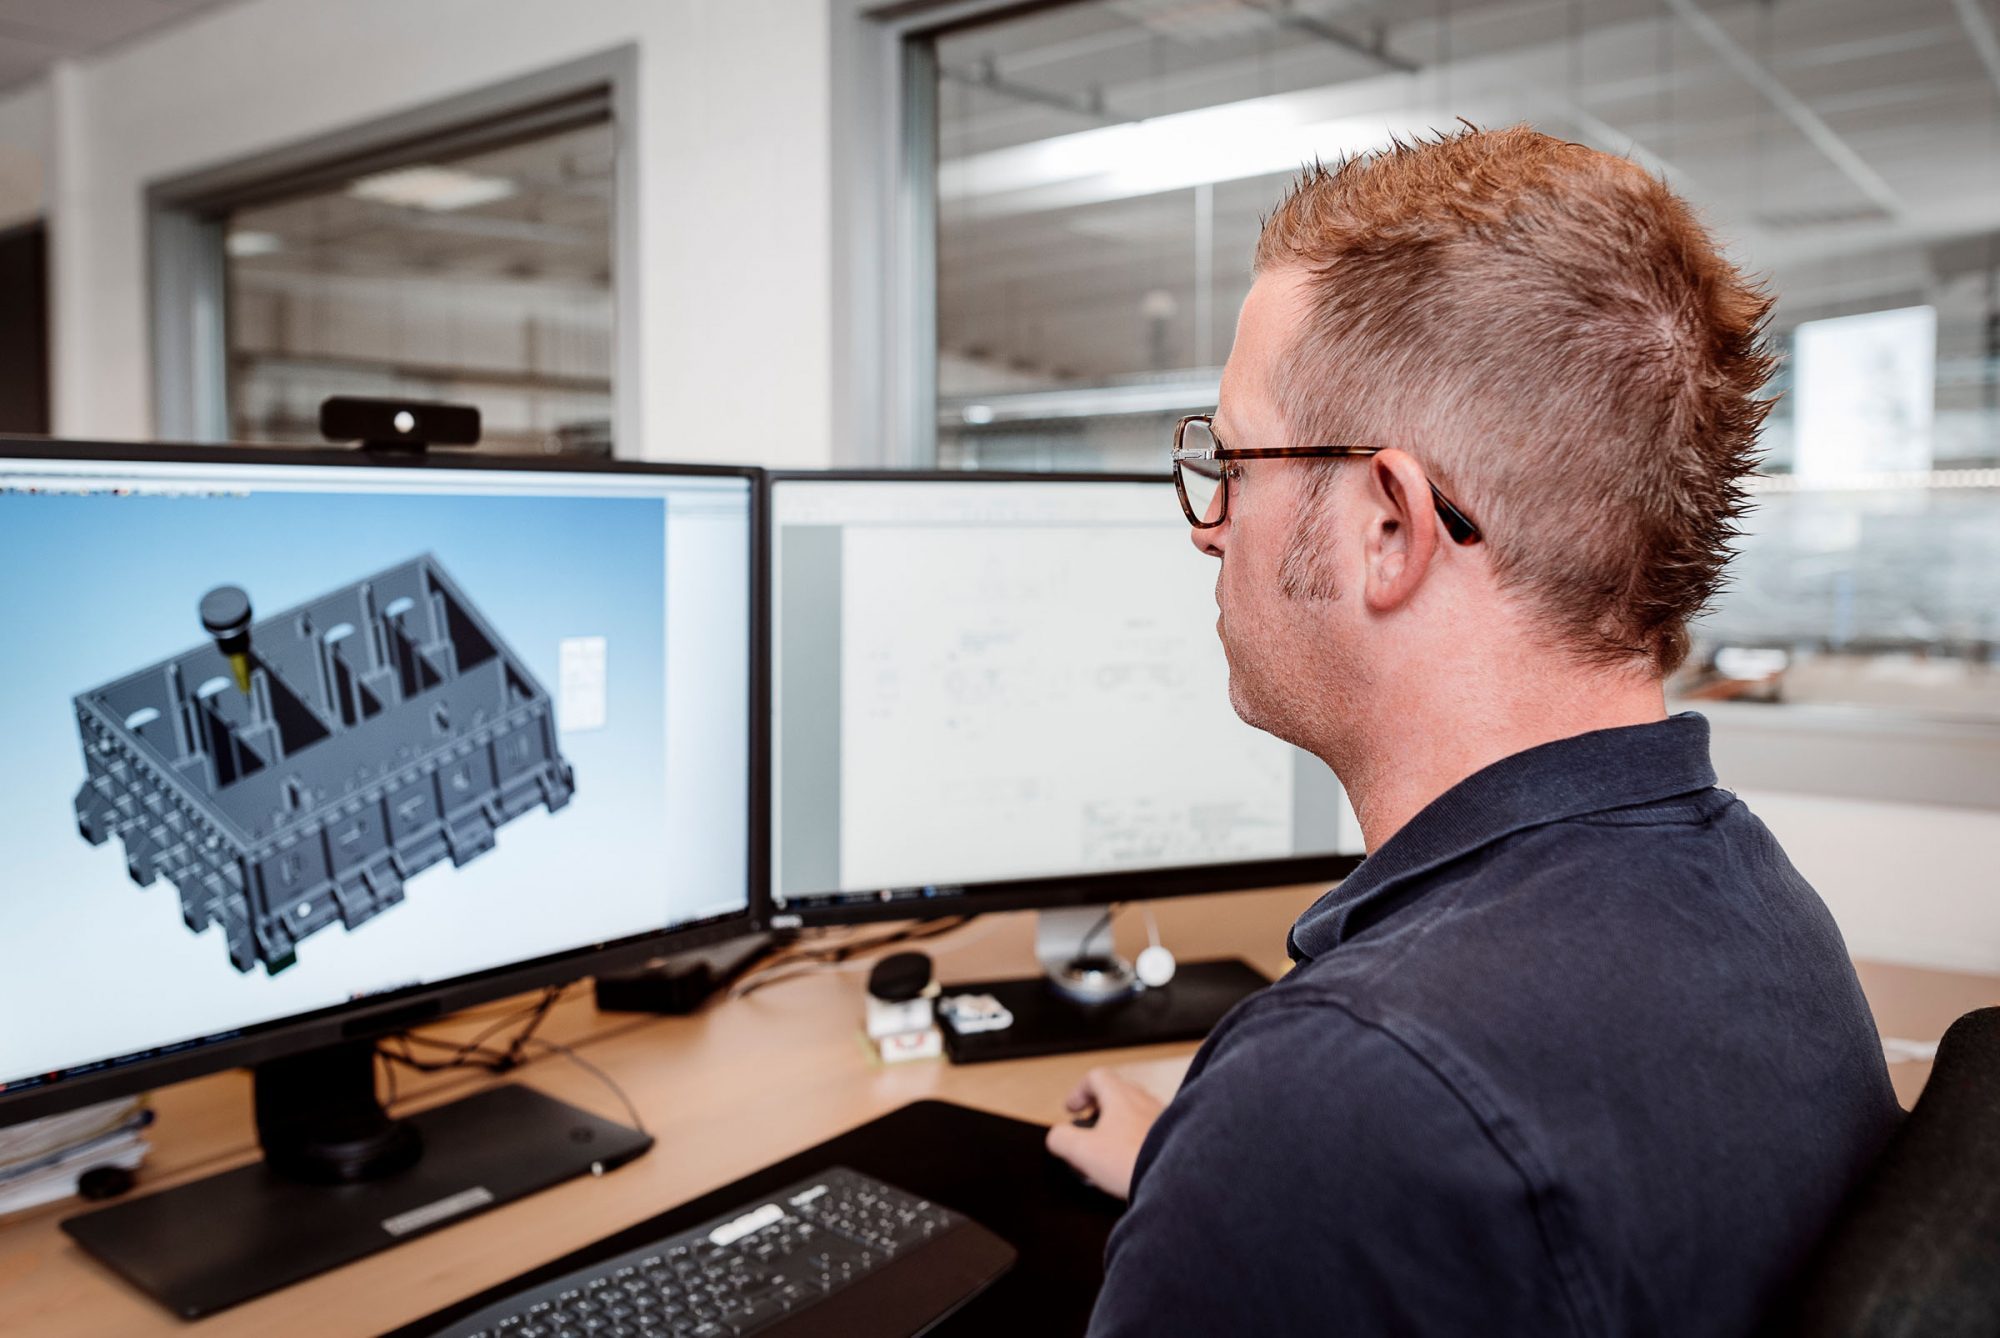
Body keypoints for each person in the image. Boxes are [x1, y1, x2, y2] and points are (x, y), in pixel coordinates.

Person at [1046, 126, 1901, 1336]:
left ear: (1388, 525)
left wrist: (1256, 1171)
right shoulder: (1751, 897)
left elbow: (1398, 1140)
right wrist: (1233, 1204)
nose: (1206, 525)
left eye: (1231, 460)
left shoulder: (1346, 1098)